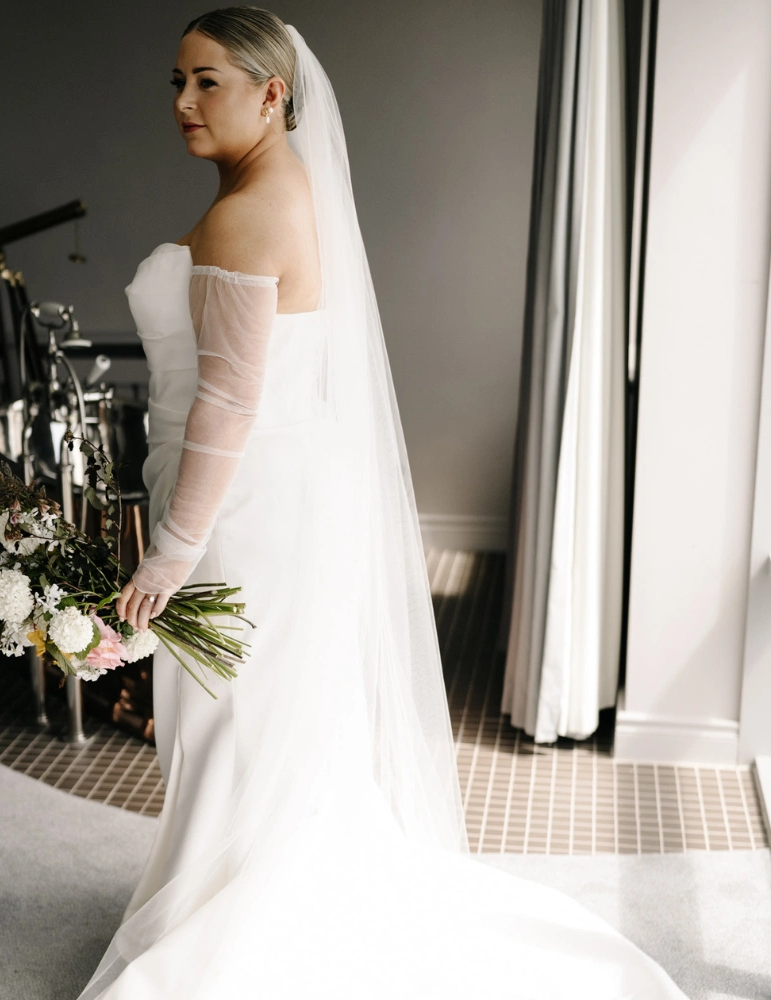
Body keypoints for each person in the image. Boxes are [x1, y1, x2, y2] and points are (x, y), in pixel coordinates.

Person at [80, 8, 692, 998]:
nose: (183, 102)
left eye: (207, 82)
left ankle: (239, 929)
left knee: (232, 723)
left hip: (240, 509)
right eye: (177, 83)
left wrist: (171, 550)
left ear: (271, 94)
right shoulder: (287, 187)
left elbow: (229, 404)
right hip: (275, 496)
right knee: (270, 724)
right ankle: (238, 895)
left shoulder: (248, 211)